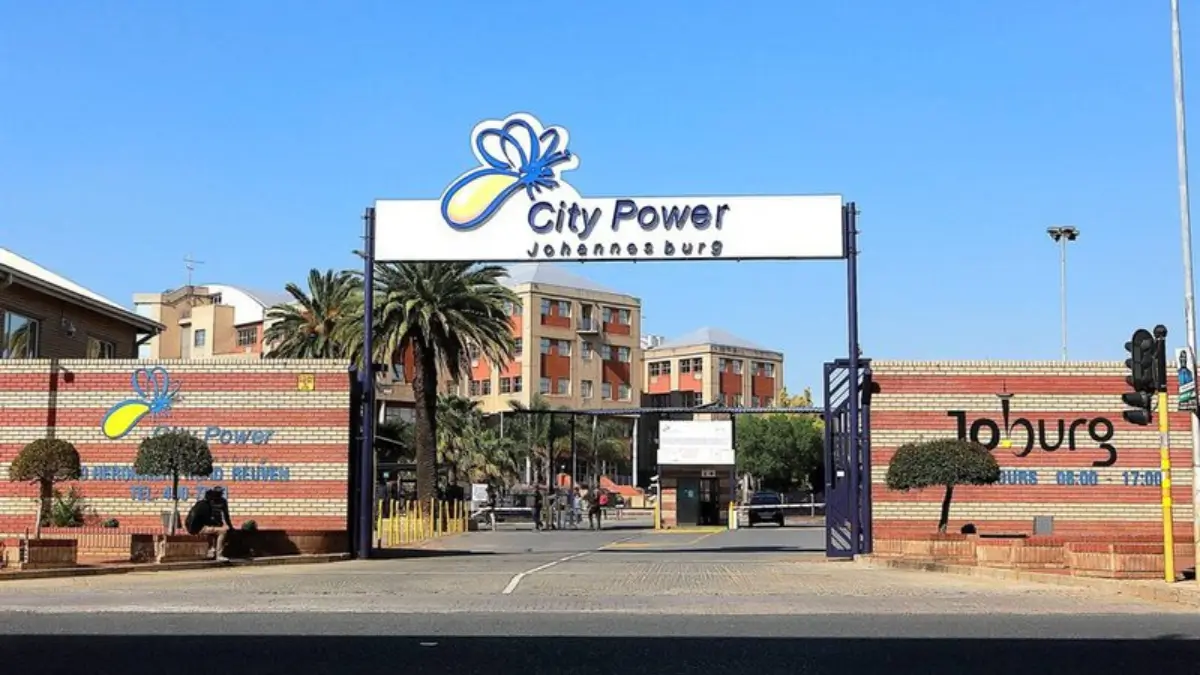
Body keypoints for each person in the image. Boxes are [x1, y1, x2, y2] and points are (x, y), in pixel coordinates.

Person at [186, 487, 234, 561]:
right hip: (202, 526)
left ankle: (212, 551)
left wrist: (230, 526)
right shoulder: (207, 504)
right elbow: (207, 519)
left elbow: (226, 515)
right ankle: (218, 554)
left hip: (202, 525)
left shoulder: (203, 503)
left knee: (218, 531)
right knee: (222, 531)